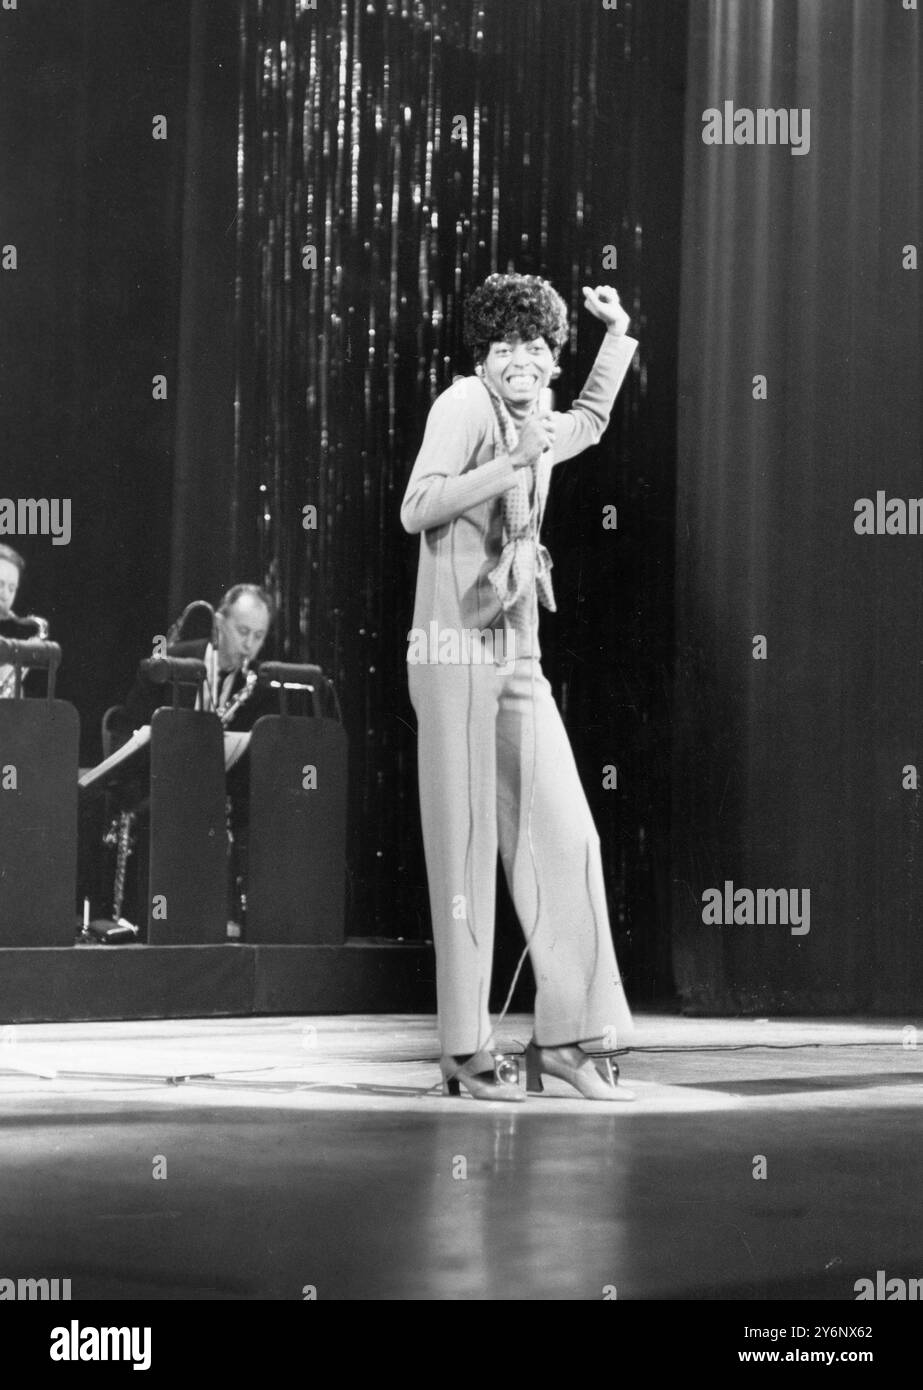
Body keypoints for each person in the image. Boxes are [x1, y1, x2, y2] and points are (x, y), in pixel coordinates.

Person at [401, 273, 639, 1102]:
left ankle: (571, 1039)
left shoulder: (537, 420)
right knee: (465, 852)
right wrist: (509, 463)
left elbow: (593, 421)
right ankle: (465, 1054)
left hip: (516, 653)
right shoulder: (464, 407)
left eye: (536, 348)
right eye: (505, 348)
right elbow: (417, 507)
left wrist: (615, 335)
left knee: (568, 841)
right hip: (451, 649)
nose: (522, 362)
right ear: (484, 355)